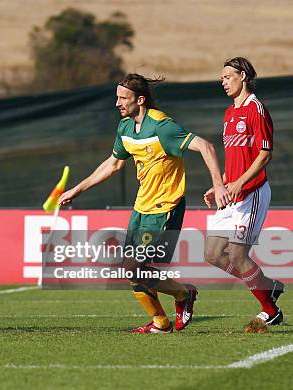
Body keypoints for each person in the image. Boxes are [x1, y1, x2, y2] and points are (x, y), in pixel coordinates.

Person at [58, 73, 230, 333]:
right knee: (132, 271)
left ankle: (184, 294)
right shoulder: (125, 127)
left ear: (140, 99)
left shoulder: (162, 126)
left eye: (123, 98)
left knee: (133, 266)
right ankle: (161, 322)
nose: (117, 103)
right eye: (116, 97)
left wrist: (218, 185)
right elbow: (114, 164)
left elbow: (206, 146)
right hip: (141, 208)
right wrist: (78, 189)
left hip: (165, 208)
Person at [203, 57, 284, 330]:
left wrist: (240, 184)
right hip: (231, 193)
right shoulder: (229, 113)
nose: (223, 81)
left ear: (244, 76)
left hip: (253, 191)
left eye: (227, 76)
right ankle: (267, 286)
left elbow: (264, 154)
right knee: (213, 254)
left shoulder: (256, 109)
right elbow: (234, 157)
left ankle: (270, 310)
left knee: (237, 254)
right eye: (222, 77)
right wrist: (221, 185)